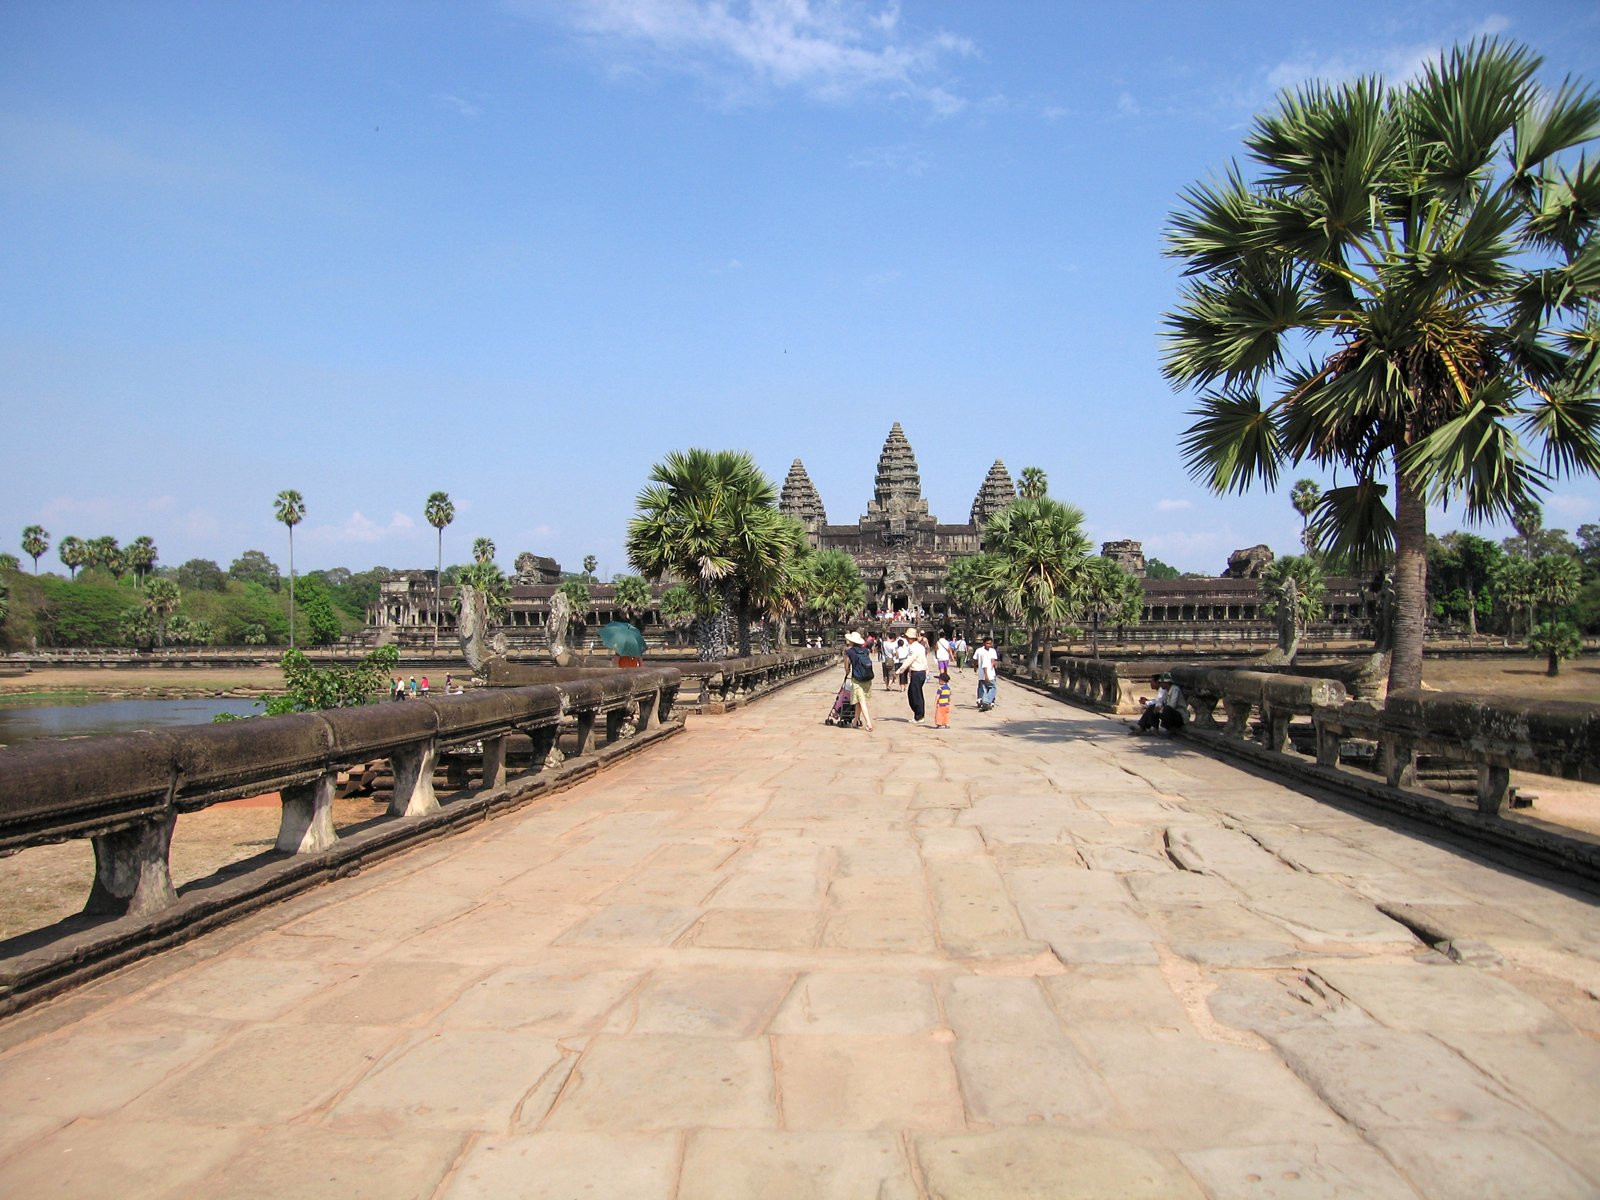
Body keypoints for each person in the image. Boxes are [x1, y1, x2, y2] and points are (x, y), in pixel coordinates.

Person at [845, 631, 875, 732]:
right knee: (859, 701)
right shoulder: (865, 650)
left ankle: (869, 723)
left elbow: (847, 667)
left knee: (861, 701)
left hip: (857, 679)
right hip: (867, 678)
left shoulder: (849, 651)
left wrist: (847, 671)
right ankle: (855, 721)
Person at [898, 627, 929, 723]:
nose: (907, 639)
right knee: (914, 693)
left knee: (915, 695)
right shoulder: (920, 647)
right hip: (921, 672)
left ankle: (919, 716)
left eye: (907, 637)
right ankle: (918, 714)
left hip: (918, 672)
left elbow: (909, 660)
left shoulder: (914, 648)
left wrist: (900, 670)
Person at [973, 636, 1000, 710]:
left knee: (984, 687)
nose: (989, 645)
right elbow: (976, 661)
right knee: (991, 687)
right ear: (984, 643)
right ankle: (986, 701)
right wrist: (975, 667)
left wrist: (993, 666)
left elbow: (993, 660)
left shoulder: (992, 651)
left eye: (990, 644)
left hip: (990, 673)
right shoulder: (981, 651)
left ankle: (982, 700)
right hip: (985, 673)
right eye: (987, 643)